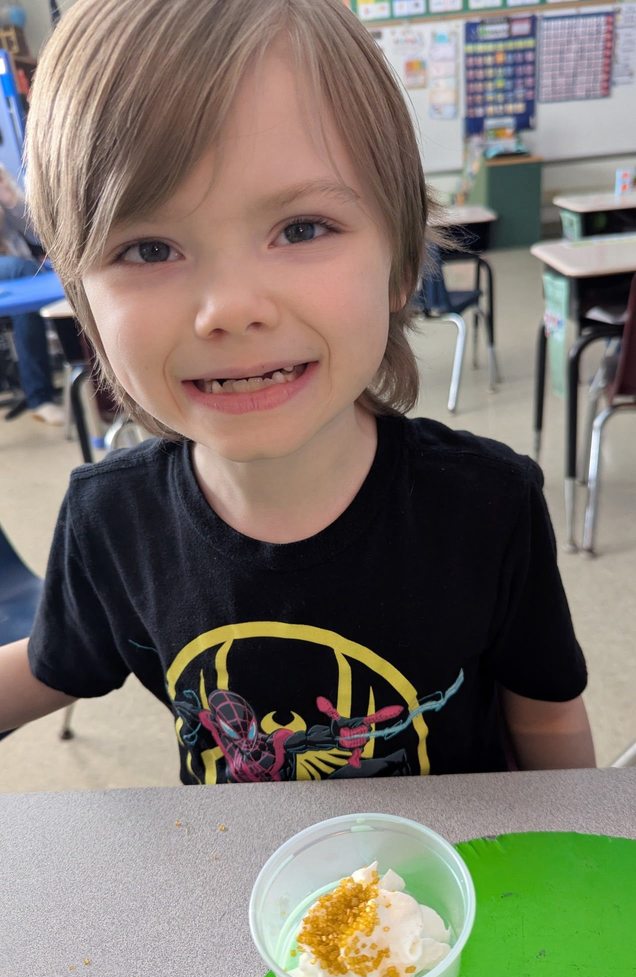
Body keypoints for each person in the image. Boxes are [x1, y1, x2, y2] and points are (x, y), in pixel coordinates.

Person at [0, 0, 595, 782]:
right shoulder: (112, 523)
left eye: (303, 229)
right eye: (149, 247)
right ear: (84, 301)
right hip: (247, 894)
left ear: (403, 260)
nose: (231, 309)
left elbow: (546, 717)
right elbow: (51, 666)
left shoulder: (488, 506)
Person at [0, 165, 64, 425]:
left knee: (29, 303)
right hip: (19, 271)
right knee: (24, 269)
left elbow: (39, 233)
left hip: (21, 275)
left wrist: (10, 199)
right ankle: (39, 395)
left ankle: (42, 394)